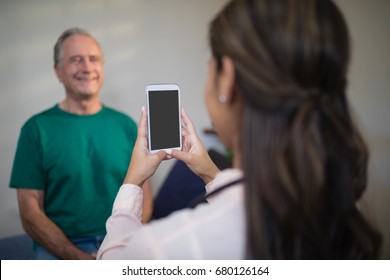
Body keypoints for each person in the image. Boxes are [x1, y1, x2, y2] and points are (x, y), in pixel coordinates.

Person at [97, 0, 382, 259]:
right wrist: (208, 170)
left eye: (211, 67)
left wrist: (132, 183)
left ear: (227, 80)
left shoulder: (168, 248)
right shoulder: (347, 214)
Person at [9, 28, 153, 260]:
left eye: (93, 59)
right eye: (76, 60)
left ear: (102, 67)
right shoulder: (35, 129)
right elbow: (29, 213)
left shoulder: (126, 125)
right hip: (60, 246)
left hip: (120, 239)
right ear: (58, 72)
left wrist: (126, 245)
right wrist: (80, 259)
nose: (87, 67)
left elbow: (144, 194)